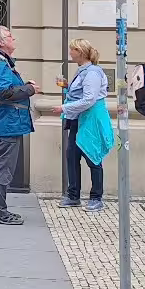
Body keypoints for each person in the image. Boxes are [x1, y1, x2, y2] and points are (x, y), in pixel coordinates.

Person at [0, 26, 37, 225]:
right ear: (1, 42)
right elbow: (3, 92)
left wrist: (24, 87)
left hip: (6, 121)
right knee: (2, 169)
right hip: (7, 122)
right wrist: (28, 89)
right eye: (10, 36)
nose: (14, 38)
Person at [59, 39, 110, 211]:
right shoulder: (83, 71)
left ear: (80, 52)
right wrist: (68, 87)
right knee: (72, 156)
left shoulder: (92, 73)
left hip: (90, 119)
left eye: (72, 49)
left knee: (92, 155)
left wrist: (64, 107)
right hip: (78, 119)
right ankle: (73, 195)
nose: (70, 53)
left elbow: (89, 99)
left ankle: (96, 197)